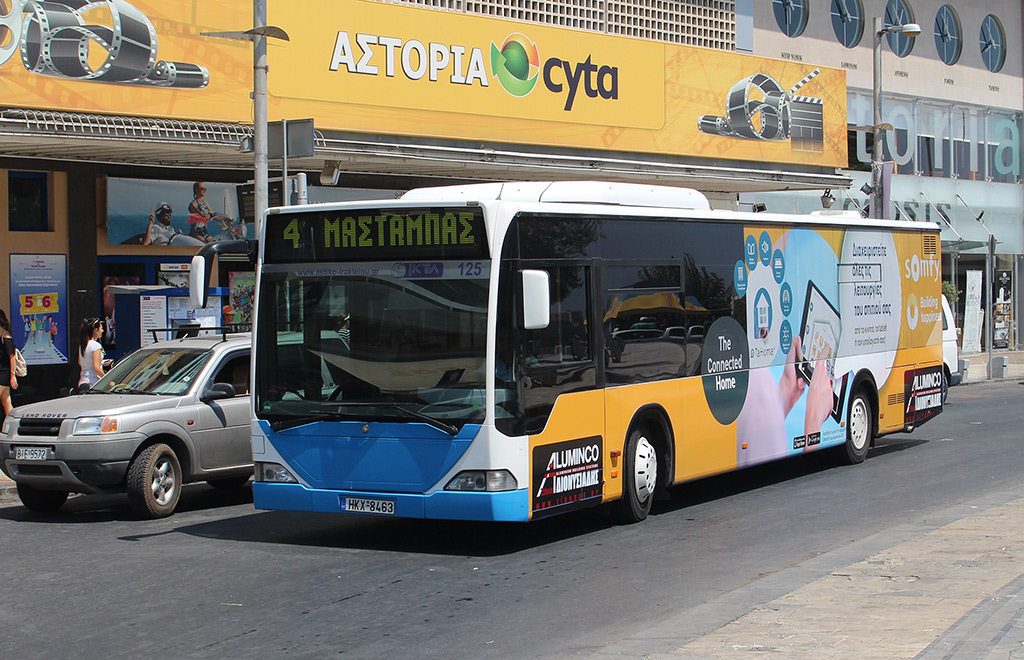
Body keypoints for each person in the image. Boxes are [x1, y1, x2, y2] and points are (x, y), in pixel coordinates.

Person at [78, 318, 107, 388]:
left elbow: (80, 362)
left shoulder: (83, 344)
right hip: (93, 383)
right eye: (101, 328)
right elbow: (97, 368)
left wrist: (101, 362)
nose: (102, 331)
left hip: (83, 382)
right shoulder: (96, 345)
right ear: (96, 330)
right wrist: (108, 380)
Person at [0, 309, 18, 417]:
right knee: (6, 402)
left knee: (6, 401)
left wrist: (12, 375)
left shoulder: (6, 336)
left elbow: (12, 356)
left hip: (4, 373)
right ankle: (10, 426)